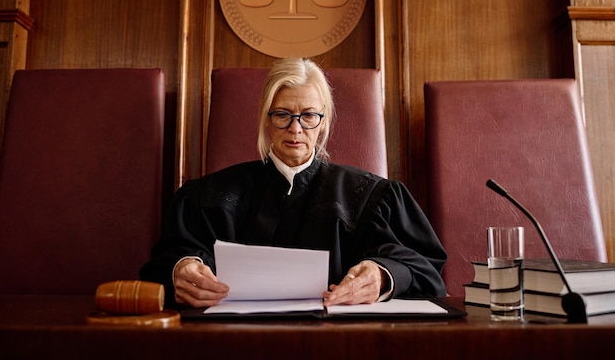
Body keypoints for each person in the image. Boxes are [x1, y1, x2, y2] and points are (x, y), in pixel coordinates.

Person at [140, 57, 447, 308]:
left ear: (323, 121)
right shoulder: (208, 197)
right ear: (265, 120)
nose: (295, 128)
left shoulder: (372, 197)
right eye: (283, 114)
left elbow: (427, 268)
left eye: (309, 115)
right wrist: (182, 268)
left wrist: (383, 276)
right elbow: (168, 257)